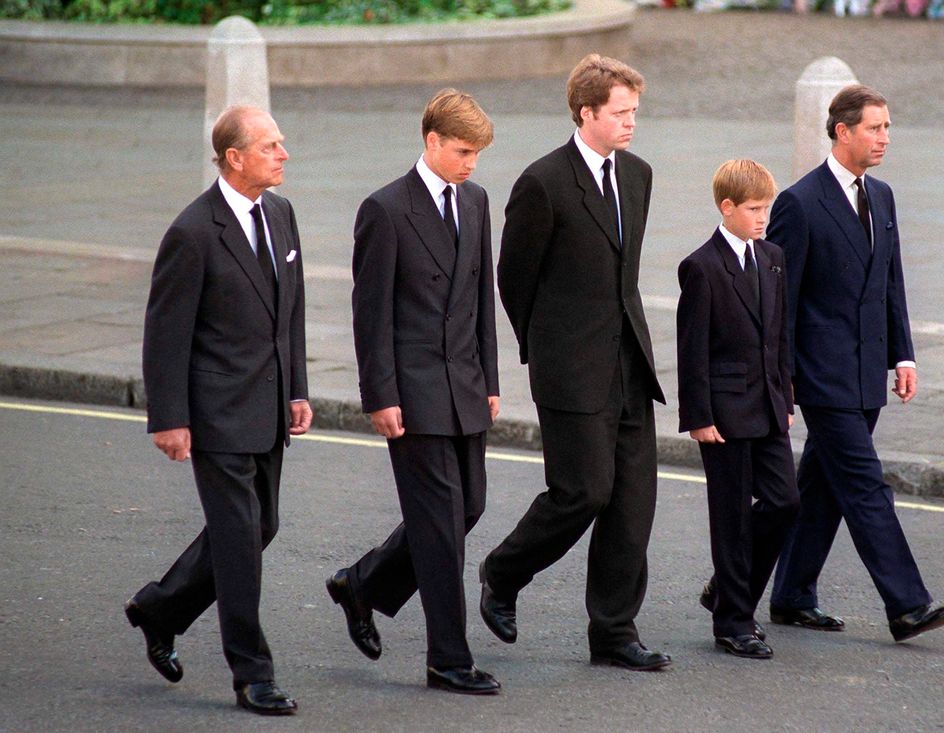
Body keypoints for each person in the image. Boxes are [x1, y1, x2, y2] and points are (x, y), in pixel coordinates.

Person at [479, 54, 671, 672]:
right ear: (586, 112)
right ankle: (502, 571)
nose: (631, 123)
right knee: (583, 491)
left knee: (632, 503)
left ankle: (613, 632)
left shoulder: (638, 175)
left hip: (629, 364)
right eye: (620, 113)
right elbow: (514, 280)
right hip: (570, 368)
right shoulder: (544, 183)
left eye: (634, 112)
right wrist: (546, 351)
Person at [125, 105, 312, 715]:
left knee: (261, 527)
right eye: (271, 146)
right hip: (216, 413)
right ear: (235, 158)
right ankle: (252, 673)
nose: (284, 154)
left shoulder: (280, 214)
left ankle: (160, 608)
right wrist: (168, 418)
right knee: (237, 540)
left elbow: (292, 314)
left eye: (282, 144)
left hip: (267, 404)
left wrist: (298, 388)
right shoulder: (194, 232)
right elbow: (165, 333)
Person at [325, 90, 501, 695]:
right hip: (414, 390)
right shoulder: (386, 209)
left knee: (468, 508)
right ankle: (447, 659)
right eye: (461, 151)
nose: (471, 163)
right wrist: (380, 394)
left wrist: (492, 382)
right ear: (430, 141)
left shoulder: (476, 201)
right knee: (439, 528)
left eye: (477, 153)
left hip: (466, 385)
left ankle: (364, 584)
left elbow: (482, 300)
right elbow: (369, 314)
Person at [767, 85, 944, 643]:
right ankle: (908, 605)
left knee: (820, 489)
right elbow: (782, 303)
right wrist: (783, 382)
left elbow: (890, 282)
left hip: (868, 367)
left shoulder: (884, 196)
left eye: (888, 128)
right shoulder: (799, 203)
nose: (885, 138)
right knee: (866, 486)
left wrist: (902, 353)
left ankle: (783, 591)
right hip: (822, 376)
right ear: (842, 131)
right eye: (875, 128)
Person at [678, 160, 799, 660]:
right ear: (727, 208)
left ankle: (728, 591)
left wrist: (786, 394)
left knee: (785, 502)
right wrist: (699, 416)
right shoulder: (701, 266)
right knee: (730, 516)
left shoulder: (772, 257)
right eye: (753, 208)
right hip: (723, 413)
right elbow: (692, 350)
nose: (763, 217)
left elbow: (780, 334)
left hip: (769, 404)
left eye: (767, 207)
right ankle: (733, 622)